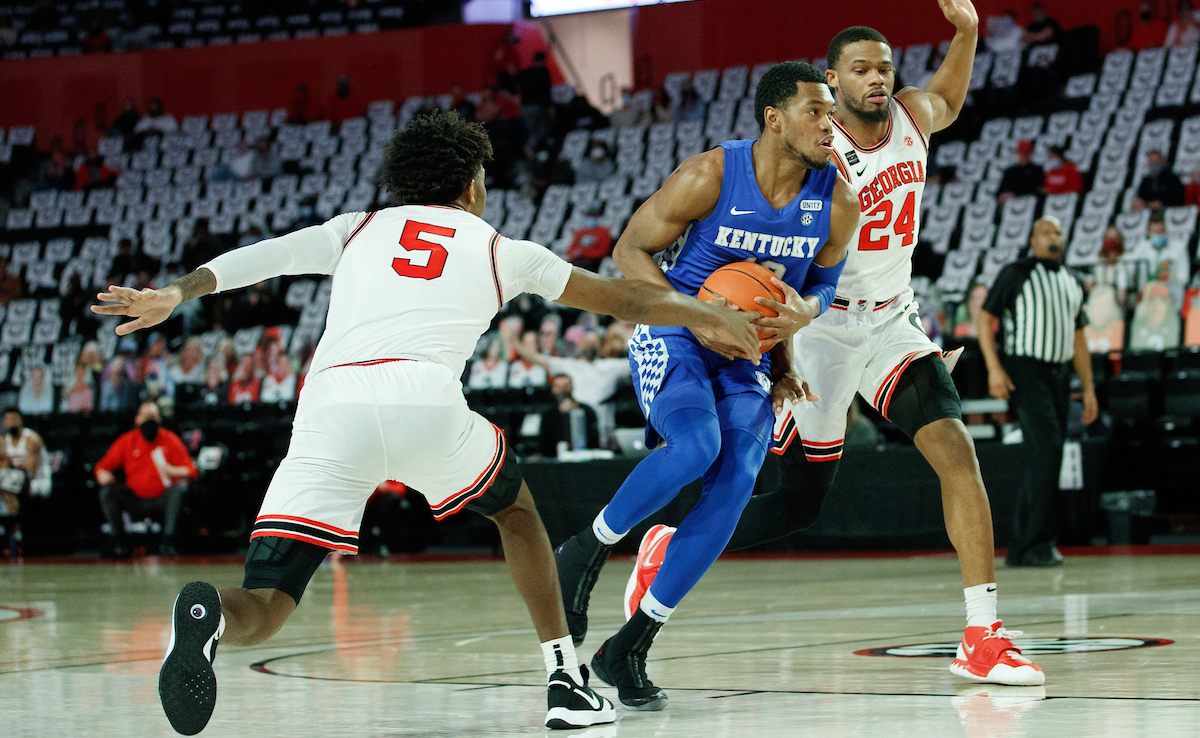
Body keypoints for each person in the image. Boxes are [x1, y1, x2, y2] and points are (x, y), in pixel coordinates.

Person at [93, 110, 759, 734]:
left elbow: (262, 257)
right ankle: (565, 680)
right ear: (470, 187)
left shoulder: (355, 227)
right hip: (422, 400)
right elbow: (622, 299)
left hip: (330, 409)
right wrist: (706, 313)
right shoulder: (500, 249)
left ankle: (210, 615)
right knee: (517, 513)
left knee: (266, 603)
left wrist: (176, 292)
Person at [630, 0, 1045, 688]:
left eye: (884, 67)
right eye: (860, 69)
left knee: (956, 450)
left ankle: (982, 635)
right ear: (831, 82)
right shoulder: (812, 150)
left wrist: (968, 31)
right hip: (818, 328)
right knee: (800, 502)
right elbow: (768, 241)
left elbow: (949, 96)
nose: (877, 78)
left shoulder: (912, 118)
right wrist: (771, 339)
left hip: (892, 324)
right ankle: (668, 547)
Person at [552, 59, 857, 710]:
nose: (830, 125)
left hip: (748, 352)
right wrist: (699, 315)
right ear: (775, 119)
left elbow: (818, 287)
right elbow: (629, 251)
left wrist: (798, 330)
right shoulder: (710, 175)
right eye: (815, 111)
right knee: (698, 445)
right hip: (675, 333)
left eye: (832, 113)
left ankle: (629, 646)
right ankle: (583, 551)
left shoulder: (837, 202)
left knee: (740, 475)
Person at [976, 217, 1097, 567]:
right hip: (1026, 370)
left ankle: (1025, 545)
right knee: (1048, 449)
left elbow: (1079, 338)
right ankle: (1035, 543)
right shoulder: (1016, 273)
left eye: (1058, 232)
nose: (1053, 237)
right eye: (1045, 232)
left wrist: (1088, 388)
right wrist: (994, 368)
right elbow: (984, 318)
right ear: (1032, 239)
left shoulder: (1073, 280)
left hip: (1059, 374)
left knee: (1045, 456)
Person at [94, 401, 196, 558]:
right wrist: (102, 474)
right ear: (137, 419)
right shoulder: (128, 440)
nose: (149, 421)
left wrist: (172, 470)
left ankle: (168, 541)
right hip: (135, 499)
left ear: (159, 419)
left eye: (153, 417)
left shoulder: (170, 439)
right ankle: (120, 542)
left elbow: (191, 471)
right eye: (146, 417)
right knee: (107, 492)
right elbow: (102, 466)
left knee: (179, 490)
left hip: (161, 499)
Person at [2, 409, 49, 555]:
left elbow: (30, 472)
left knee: (10, 488)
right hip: (14, 481)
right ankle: (10, 533)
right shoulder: (4, 441)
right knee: (6, 488)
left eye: (14, 419)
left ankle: (15, 535)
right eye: (7, 419)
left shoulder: (31, 439)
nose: (11, 423)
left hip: (38, 481)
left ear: (20, 420)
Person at [1128, 212, 1191, 308]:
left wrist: (1170, 275)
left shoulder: (1178, 247)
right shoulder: (1141, 247)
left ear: (1166, 230)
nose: (1158, 234)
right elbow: (1129, 269)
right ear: (1148, 232)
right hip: (1147, 295)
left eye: (1161, 231)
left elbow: (1184, 277)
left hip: (1171, 295)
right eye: (1155, 231)